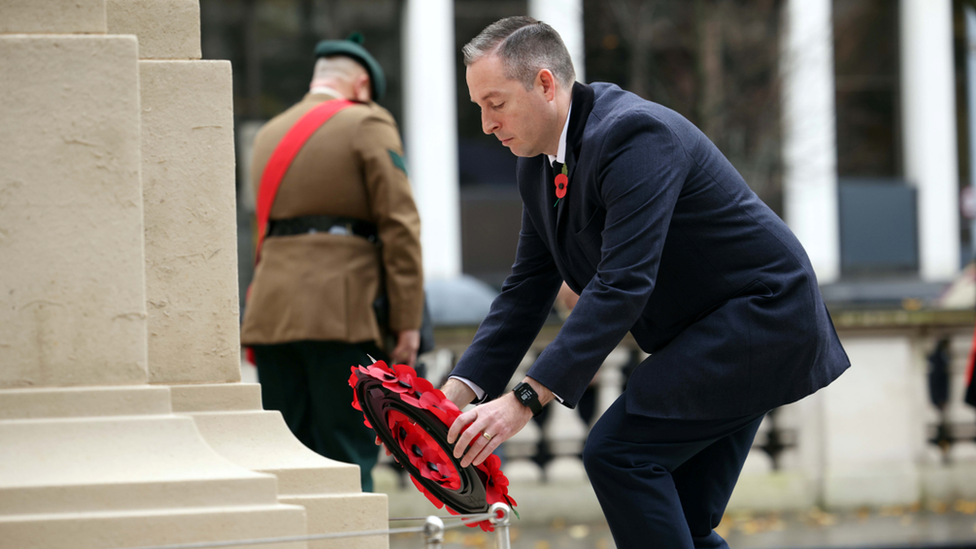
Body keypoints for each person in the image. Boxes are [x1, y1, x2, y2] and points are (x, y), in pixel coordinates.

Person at [440, 16, 850, 549]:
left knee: (618, 455)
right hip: (717, 333)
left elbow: (622, 282)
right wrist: (450, 396)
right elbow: (525, 290)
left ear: (545, 84)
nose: (487, 124)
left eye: (495, 103)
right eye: (478, 108)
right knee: (680, 517)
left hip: (764, 320)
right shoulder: (536, 164)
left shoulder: (635, 134)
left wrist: (522, 399)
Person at [241, 35, 424, 493]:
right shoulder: (367, 121)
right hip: (342, 313)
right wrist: (407, 322)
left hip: (271, 315)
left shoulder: (268, 134)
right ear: (361, 84)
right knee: (347, 456)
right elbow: (400, 225)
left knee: (288, 458)